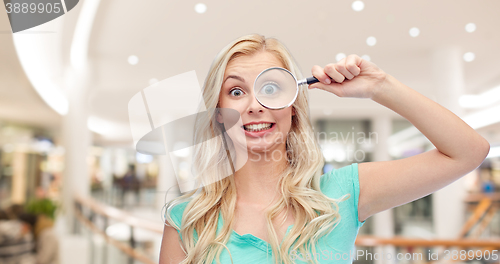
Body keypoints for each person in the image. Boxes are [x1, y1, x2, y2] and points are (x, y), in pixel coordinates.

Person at [159, 34, 490, 264]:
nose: (254, 105)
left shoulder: (341, 194)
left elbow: (468, 152)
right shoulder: (186, 217)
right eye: (235, 91)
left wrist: (380, 87)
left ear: (292, 105)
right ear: (218, 113)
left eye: (271, 88)